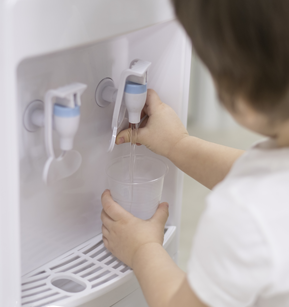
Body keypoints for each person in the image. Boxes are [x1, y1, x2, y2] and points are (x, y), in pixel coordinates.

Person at [100, 1, 289, 306]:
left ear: (239, 92)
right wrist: (178, 145)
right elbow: (269, 176)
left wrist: (142, 249)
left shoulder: (244, 219)